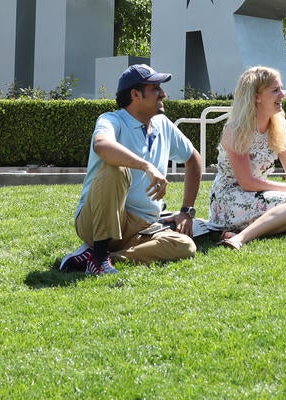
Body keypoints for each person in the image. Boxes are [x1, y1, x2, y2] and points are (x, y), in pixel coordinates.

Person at [59, 64, 203, 275]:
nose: (163, 94)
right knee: (115, 170)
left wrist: (186, 212)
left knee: (185, 246)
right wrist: (147, 166)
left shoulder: (162, 124)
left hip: (142, 228)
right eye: (155, 88)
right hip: (95, 221)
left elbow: (193, 158)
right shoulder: (111, 120)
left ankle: (102, 258)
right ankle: (98, 257)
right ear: (135, 94)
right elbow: (101, 145)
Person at [208, 66, 286, 249]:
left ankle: (245, 230)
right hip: (230, 197)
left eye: (281, 89)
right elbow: (247, 182)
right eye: (275, 90)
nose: (283, 95)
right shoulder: (235, 130)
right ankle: (240, 238)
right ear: (256, 96)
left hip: (257, 194)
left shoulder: (277, 125)